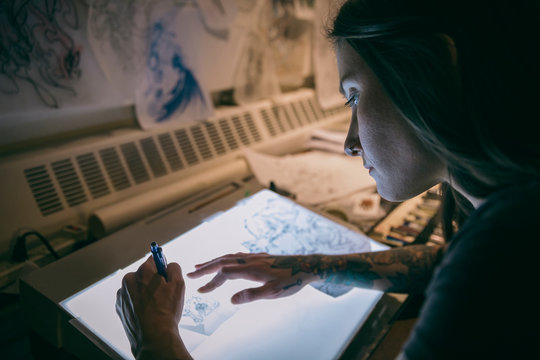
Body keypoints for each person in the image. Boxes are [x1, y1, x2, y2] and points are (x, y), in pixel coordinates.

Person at [116, 0, 540, 358]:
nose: (350, 142)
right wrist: (312, 267)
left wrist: (156, 342)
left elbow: (475, 272)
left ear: (434, 71)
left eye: (354, 95)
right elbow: (444, 263)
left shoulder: (506, 244)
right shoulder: (510, 212)